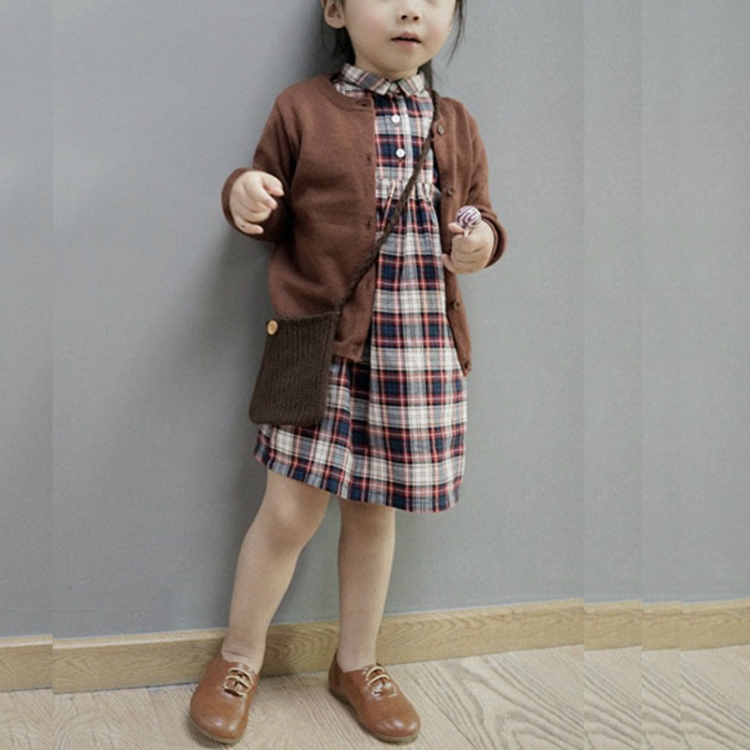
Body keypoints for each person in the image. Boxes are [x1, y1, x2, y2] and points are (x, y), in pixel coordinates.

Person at [189, 0, 506, 744]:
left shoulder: (456, 122)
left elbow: (481, 216)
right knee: (289, 513)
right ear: (335, 8)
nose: (411, 9)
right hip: (322, 349)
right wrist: (243, 192)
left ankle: (357, 663)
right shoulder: (301, 107)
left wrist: (481, 242)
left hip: (417, 352)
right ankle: (239, 657)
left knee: (374, 514)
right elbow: (266, 212)